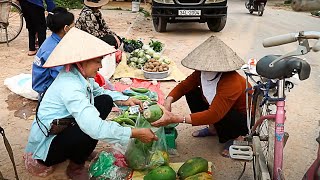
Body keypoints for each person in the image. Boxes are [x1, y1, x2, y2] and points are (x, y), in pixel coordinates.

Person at [24, 28, 158, 180]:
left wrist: (125, 100)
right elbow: (95, 128)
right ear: (82, 62)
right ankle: (75, 167)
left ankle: (81, 151)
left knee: (105, 101)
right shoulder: (70, 86)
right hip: (47, 146)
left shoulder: (80, 76)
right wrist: (135, 133)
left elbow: (100, 92)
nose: (100, 66)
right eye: (97, 61)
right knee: (88, 129)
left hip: (64, 128)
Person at [151, 36, 250, 157]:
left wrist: (176, 118)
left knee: (224, 113)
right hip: (219, 108)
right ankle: (213, 129)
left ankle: (238, 137)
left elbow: (214, 114)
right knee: (191, 92)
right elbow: (184, 86)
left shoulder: (231, 82)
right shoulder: (201, 73)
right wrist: (168, 101)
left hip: (243, 117)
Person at [32, 7, 74, 96]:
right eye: (73, 26)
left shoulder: (54, 40)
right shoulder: (53, 49)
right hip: (46, 88)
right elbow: (62, 75)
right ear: (66, 28)